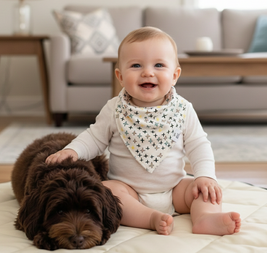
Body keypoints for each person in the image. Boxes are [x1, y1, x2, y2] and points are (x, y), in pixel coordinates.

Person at [46, 26, 241, 236]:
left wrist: (205, 176)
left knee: (203, 191)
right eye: (136, 65)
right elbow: (94, 138)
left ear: (174, 75)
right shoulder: (114, 109)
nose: (148, 72)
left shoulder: (183, 110)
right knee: (108, 192)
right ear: (120, 76)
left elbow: (198, 145)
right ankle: (149, 218)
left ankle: (205, 218)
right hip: (130, 191)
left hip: (175, 189)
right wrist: (73, 151)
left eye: (159, 65)